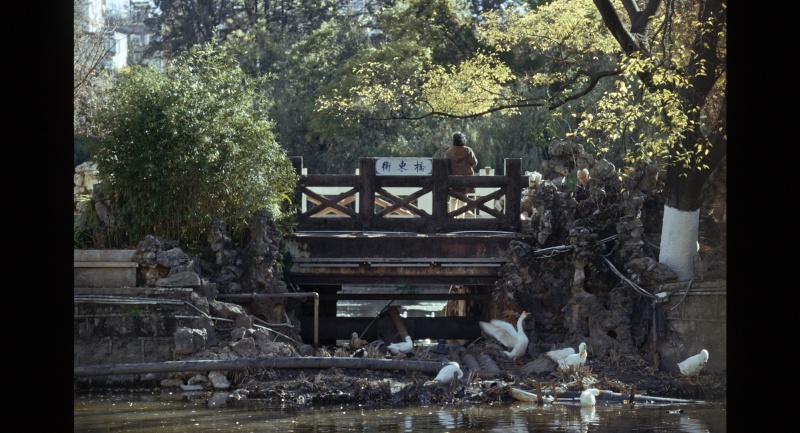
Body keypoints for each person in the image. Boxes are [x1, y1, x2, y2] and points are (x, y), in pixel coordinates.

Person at [445, 132, 478, 218]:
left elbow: (445, 166)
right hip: (465, 179)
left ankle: (452, 218)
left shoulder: (449, 152)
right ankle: (460, 219)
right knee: (463, 199)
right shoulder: (468, 150)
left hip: (453, 180)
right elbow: (474, 163)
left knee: (453, 199)